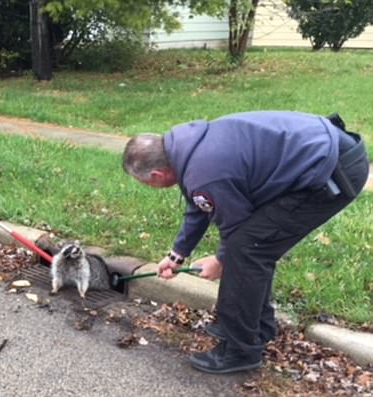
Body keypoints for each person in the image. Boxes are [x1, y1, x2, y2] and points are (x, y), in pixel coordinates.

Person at [122, 111, 369, 374]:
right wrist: (176, 255)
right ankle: (258, 327)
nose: (149, 186)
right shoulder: (185, 149)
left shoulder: (204, 171)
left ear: (158, 174)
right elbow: (199, 204)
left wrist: (220, 261)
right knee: (251, 247)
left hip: (330, 171)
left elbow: (238, 228)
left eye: (145, 182)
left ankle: (241, 350)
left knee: (246, 250)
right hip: (325, 153)